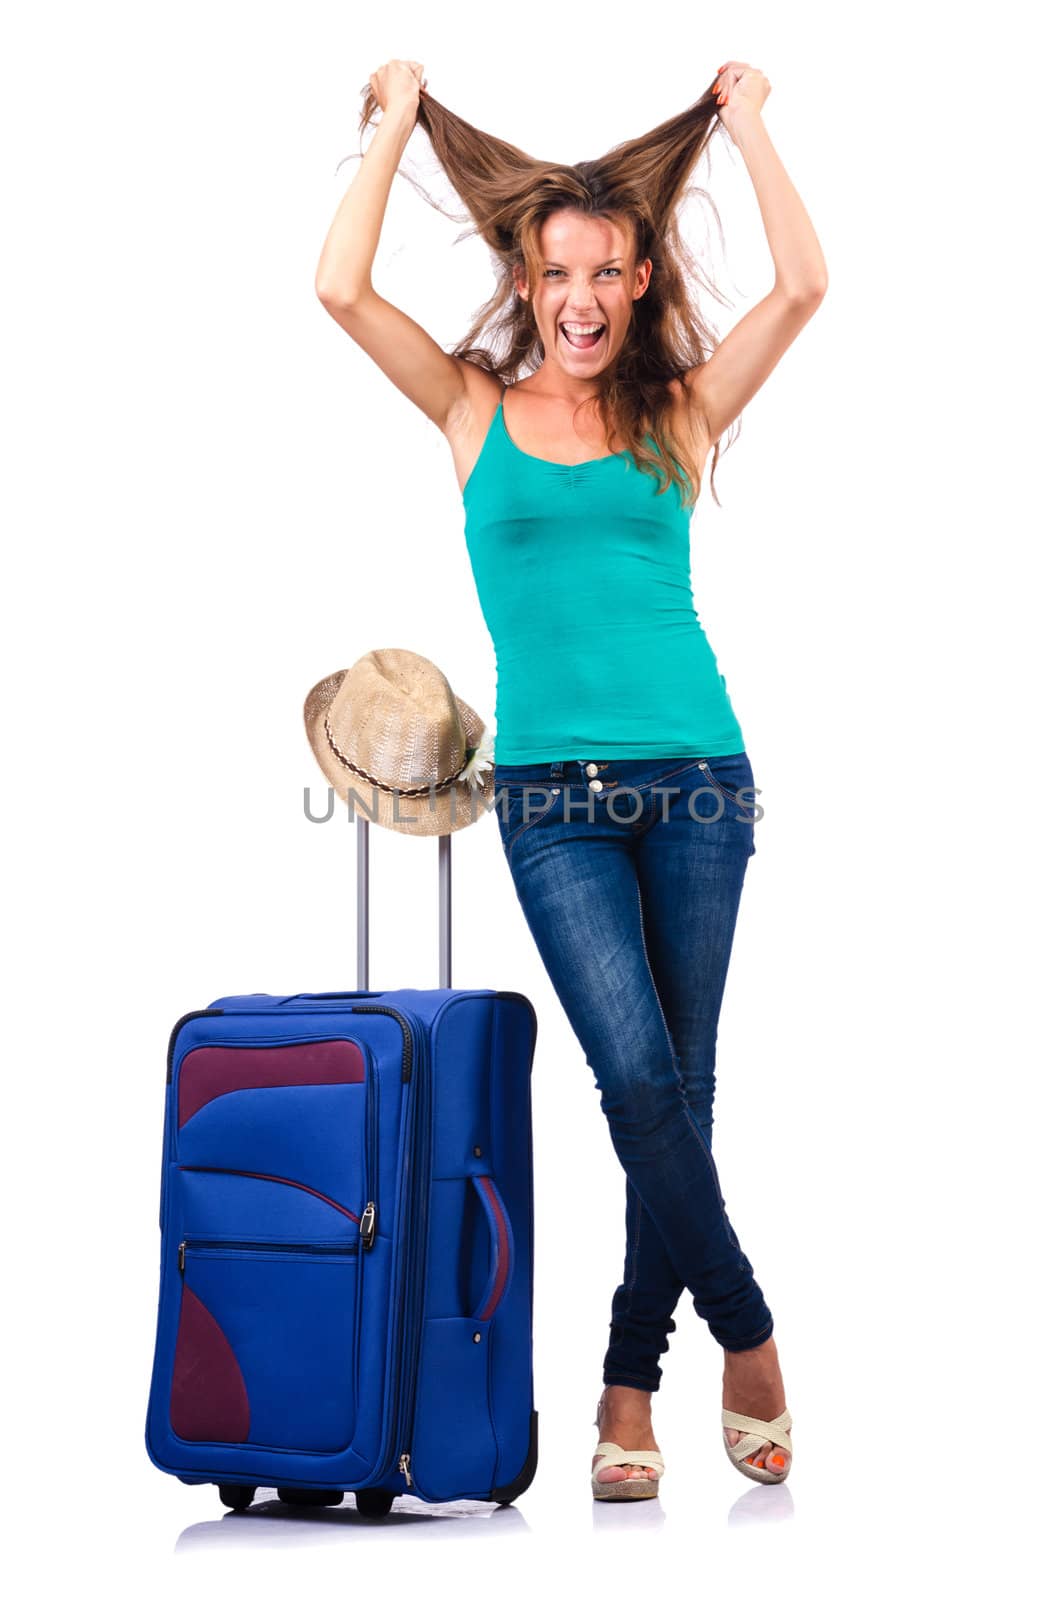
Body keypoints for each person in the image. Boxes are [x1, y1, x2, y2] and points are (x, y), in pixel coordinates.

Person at [315, 57, 827, 1500]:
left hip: (701, 782)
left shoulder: (680, 410)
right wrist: (401, 122)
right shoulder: (472, 410)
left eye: (608, 271)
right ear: (527, 282)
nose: (585, 299)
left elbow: (803, 284)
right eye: (558, 275)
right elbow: (341, 292)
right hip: (548, 800)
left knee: (687, 1090)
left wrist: (749, 127)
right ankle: (753, 1335)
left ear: (641, 270)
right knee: (639, 1082)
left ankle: (623, 1390)